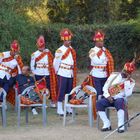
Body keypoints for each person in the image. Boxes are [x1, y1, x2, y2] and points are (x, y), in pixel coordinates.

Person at [96, 60, 135, 133]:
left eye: (128, 73)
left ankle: (121, 125)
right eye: (125, 71)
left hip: (119, 99)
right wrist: (108, 96)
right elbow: (105, 87)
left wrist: (126, 82)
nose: (125, 73)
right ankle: (107, 124)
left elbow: (127, 94)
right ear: (123, 69)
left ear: (130, 73)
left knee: (120, 102)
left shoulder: (131, 82)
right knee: (99, 103)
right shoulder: (114, 76)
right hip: (109, 98)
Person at [53, 28, 77, 116]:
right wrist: (57, 72)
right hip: (62, 72)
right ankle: (59, 109)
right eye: (67, 40)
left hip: (70, 72)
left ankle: (68, 108)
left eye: (70, 40)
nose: (69, 41)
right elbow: (56, 63)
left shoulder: (71, 49)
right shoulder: (60, 50)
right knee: (61, 90)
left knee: (69, 91)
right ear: (63, 40)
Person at [30, 35, 57, 108]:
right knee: (40, 89)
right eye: (40, 46)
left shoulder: (47, 52)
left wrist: (49, 53)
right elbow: (32, 65)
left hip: (47, 72)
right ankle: (41, 103)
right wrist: (33, 72)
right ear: (38, 46)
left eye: (43, 46)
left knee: (49, 87)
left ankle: (52, 102)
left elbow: (52, 60)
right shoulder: (34, 54)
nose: (42, 47)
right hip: (38, 73)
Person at [89, 30, 114, 99]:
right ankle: (97, 108)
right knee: (98, 93)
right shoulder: (92, 50)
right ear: (96, 42)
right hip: (96, 74)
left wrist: (104, 59)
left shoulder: (105, 50)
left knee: (105, 92)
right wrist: (105, 59)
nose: (101, 42)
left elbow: (110, 60)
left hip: (105, 74)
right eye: (99, 41)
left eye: (102, 41)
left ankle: (103, 108)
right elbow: (97, 61)